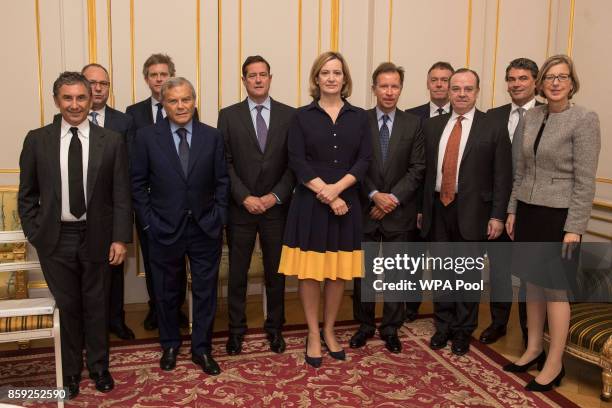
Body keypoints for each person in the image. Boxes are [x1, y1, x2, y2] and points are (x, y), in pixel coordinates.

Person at [18, 71, 132, 399]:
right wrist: (34, 232)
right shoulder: (37, 139)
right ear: (57, 101)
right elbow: (27, 195)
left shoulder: (110, 140)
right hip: (55, 239)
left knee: (97, 305)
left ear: (91, 99)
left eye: (81, 97)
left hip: (98, 236)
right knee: (68, 307)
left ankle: (99, 368)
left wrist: (120, 238)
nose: (75, 104)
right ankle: (69, 373)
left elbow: (121, 194)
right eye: (67, 98)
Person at [504, 54, 601, 391]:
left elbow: (585, 181)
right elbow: (522, 171)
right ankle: (533, 348)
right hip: (529, 212)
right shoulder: (532, 116)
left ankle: (555, 363)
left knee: (556, 290)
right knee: (531, 283)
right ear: (541, 84)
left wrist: (575, 228)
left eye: (563, 77)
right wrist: (513, 210)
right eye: (550, 77)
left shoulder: (585, 119)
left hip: (559, 218)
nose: (556, 83)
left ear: (572, 82)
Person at [278, 51, 372, 367]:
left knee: (336, 273)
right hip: (311, 204)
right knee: (310, 273)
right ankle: (313, 334)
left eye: (337, 72)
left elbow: (364, 160)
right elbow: (297, 161)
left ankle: (330, 330)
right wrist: (329, 195)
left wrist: (339, 189)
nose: (331, 78)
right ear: (316, 78)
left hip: (348, 203)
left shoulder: (360, 117)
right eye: (325, 72)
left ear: (345, 79)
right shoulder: (301, 117)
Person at [131, 77, 228, 376]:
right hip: (163, 229)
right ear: (163, 104)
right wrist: (148, 224)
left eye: (186, 99)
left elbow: (223, 182)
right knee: (166, 292)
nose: (181, 105)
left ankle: (202, 349)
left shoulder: (212, 136)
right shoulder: (147, 137)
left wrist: (218, 216)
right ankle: (170, 344)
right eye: (173, 101)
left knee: (205, 292)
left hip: (204, 229)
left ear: (194, 101)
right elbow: (137, 185)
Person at [420, 68, 512, 356]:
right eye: (456, 88)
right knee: (442, 272)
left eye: (467, 89)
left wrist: (497, 215)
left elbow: (503, 175)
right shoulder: (433, 127)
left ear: (477, 91)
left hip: (474, 211)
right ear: (448, 90)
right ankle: (443, 325)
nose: (461, 94)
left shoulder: (492, 126)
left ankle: (462, 330)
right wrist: (423, 210)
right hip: (437, 207)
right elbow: (424, 174)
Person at [218, 56, 295, 355]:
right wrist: (244, 197)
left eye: (263, 74)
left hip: (277, 209)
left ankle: (275, 329)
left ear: (270, 77)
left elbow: (294, 164)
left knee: (276, 274)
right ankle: (236, 331)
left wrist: (274, 196)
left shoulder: (290, 115)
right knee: (237, 274)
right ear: (244, 80)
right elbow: (224, 163)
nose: (259, 80)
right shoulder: (228, 116)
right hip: (241, 209)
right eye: (252, 76)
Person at [350, 62, 425, 353]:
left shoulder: (413, 124)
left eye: (395, 86)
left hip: (398, 211)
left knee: (396, 275)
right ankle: (365, 325)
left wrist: (390, 199)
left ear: (401, 89)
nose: (389, 92)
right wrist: (373, 195)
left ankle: (391, 328)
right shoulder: (358, 120)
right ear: (374, 89)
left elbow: (418, 168)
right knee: (364, 275)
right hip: (366, 210)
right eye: (384, 86)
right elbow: (356, 163)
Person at [125, 53, 192, 331]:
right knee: (154, 262)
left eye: (164, 74)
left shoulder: (184, 105)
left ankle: (175, 308)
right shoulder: (134, 112)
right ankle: (157, 308)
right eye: (154, 75)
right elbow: (133, 158)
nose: (159, 79)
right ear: (147, 79)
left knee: (176, 261)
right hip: (149, 206)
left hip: (177, 203)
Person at [481, 58, 541, 346]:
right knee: (500, 270)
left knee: (530, 273)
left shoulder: (546, 115)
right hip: (495, 207)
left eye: (523, 78)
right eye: (511, 79)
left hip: (530, 208)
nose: (516, 84)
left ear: (535, 82)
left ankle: (531, 331)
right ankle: (499, 322)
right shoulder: (493, 115)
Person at [81, 63, 136, 341]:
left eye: (104, 83)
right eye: (92, 82)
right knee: (83, 276)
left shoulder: (124, 121)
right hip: (78, 213)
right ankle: (89, 327)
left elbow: (129, 169)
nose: (98, 88)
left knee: (114, 272)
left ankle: (116, 320)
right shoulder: (65, 121)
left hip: (112, 209)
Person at [404, 61, 454, 322]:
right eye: (434, 79)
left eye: (444, 80)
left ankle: (443, 313)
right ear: (427, 83)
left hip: (447, 202)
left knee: (444, 262)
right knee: (412, 259)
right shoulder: (412, 116)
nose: (439, 84)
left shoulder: (463, 118)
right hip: (415, 201)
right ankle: (409, 308)